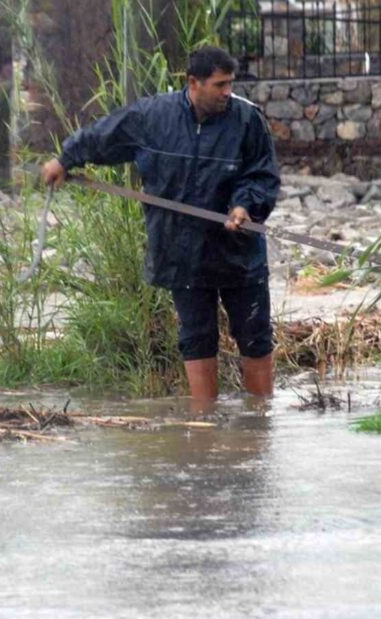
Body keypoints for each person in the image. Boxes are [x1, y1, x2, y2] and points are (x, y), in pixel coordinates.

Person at [42, 45, 280, 403]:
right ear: (193, 83)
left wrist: (245, 206)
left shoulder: (248, 120)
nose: (227, 92)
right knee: (196, 340)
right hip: (180, 251)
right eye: (219, 85)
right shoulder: (154, 116)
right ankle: (204, 425)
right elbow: (105, 136)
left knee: (255, 337)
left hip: (239, 253)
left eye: (230, 83)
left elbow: (262, 174)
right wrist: (65, 159)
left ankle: (261, 421)